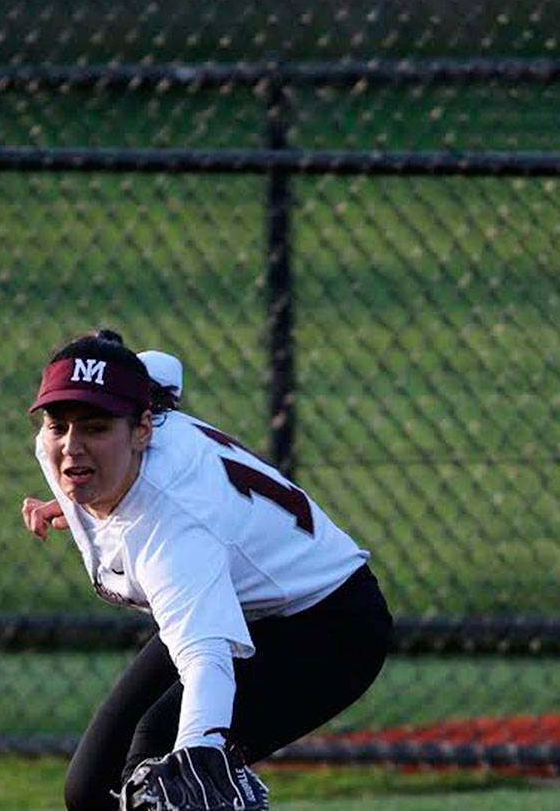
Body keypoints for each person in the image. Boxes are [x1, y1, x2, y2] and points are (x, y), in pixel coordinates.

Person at [21, 330, 392, 811]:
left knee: (161, 767)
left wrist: (202, 749)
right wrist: (76, 507)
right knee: (91, 790)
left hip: (327, 624)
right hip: (241, 599)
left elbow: (205, 660)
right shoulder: (84, 449)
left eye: (95, 427)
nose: (71, 446)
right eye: (57, 423)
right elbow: (161, 369)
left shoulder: (175, 526)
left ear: (144, 429)